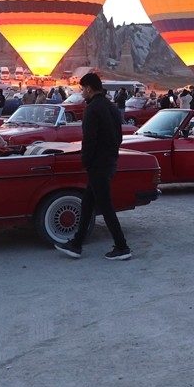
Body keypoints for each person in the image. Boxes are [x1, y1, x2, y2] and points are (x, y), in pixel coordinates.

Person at [55, 73, 131, 261]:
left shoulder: (92, 109)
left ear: (89, 88)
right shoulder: (111, 107)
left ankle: (122, 246)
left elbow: (89, 140)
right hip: (109, 161)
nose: (82, 93)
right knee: (87, 203)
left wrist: (86, 161)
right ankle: (76, 244)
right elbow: (119, 136)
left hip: (98, 164)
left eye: (82, 89)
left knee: (105, 206)